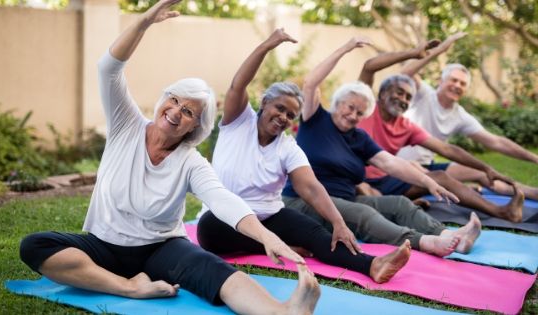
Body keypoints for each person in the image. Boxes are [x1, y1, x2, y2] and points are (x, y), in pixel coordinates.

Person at [18, 2, 322, 314]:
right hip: (104, 245)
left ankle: (283, 312)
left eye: (188, 111)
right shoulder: (127, 124)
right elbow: (108, 68)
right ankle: (128, 286)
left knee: (212, 268)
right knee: (34, 246)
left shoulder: (191, 161)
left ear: (197, 125)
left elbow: (222, 200)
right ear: (164, 99)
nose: (176, 112)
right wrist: (145, 21)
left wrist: (265, 236)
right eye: (174, 100)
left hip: (162, 249)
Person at [197, 29, 411, 283]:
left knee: (316, 232)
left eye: (290, 115)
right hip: (225, 220)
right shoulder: (237, 122)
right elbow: (238, 84)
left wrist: (338, 222)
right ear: (264, 103)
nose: (284, 118)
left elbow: (310, 188)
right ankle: (276, 245)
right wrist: (267, 45)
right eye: (280, 108)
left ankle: (372, 265)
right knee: (207, 229)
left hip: (268, 216)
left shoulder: (288, 147)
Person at [281, 36, 481, 256]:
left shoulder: (359, 137)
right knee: (364, 214)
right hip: (304, 202)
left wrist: (428, 181)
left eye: (360, 113)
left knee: (399, 204)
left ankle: (449, 237)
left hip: (346, 199)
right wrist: (345, 48)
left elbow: (390, 162)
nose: (353, 115)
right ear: (338, 102)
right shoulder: (315, 120)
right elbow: (311, 83)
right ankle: (426, 242)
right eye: (350, 107)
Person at [354, 43, 525, 222]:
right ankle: (395, 205)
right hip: (354, 177)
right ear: (381, 94)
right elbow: (369, 67)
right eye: (399, 93)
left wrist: (485, 168)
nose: (403, 99)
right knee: (364, 190)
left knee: (439, 177)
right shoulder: (365, 106)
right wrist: (411, 53)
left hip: (386, 180)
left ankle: (501, 211)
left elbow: (447, 150)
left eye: (408, 97)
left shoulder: (405, 125)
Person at [397, 32, 538, 201]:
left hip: (429, 167)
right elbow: (403, 75)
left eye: (462, 84)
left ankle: (532, 193)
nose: (457, 85)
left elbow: (496, 142)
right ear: (440, 82)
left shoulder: (459, 115)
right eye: (453, 80)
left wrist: (534, 158)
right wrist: (440, 50)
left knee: (480, 172)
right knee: (438, 179)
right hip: (401, 166)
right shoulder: (423, 94)